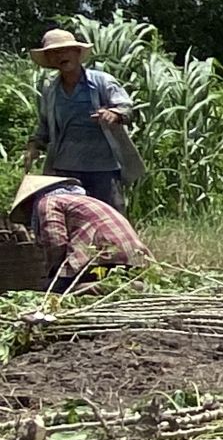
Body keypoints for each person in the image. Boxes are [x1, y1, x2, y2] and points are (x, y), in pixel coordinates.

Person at [22, 29, 138, 213]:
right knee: (71, 219)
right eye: (54, 53)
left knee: (109, 218)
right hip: (65, 168)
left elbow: (127, 108)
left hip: (103, 167)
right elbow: (45, 126)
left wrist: (113, 114)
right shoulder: (51, 90)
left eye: (65, 50)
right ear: (50, 60)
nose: (60, 56)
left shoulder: (102, 82)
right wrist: (34, 146)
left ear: (77, 52)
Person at [9, 174, 149, 287]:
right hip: (136, 258)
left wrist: (54, 274)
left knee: (56, 288)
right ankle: (127, 285)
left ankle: (108, 288)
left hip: (103, 257)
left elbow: (55, 241)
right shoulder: (80, 200)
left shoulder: (47, 202)